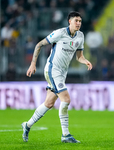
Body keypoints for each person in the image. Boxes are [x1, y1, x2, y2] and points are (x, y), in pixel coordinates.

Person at [21, 11, 92, 143]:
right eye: (76, 20)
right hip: (52, 69)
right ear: (69, 21)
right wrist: (32, 64)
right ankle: (65, 135)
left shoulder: (80, 36)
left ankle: (27, 125)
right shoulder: (59, 33)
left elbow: (79, 56)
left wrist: (85, 61)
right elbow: (39, 44)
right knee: (66, 99)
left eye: (80, 21)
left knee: (49, 103)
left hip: (62, 73)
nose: (78, 23)